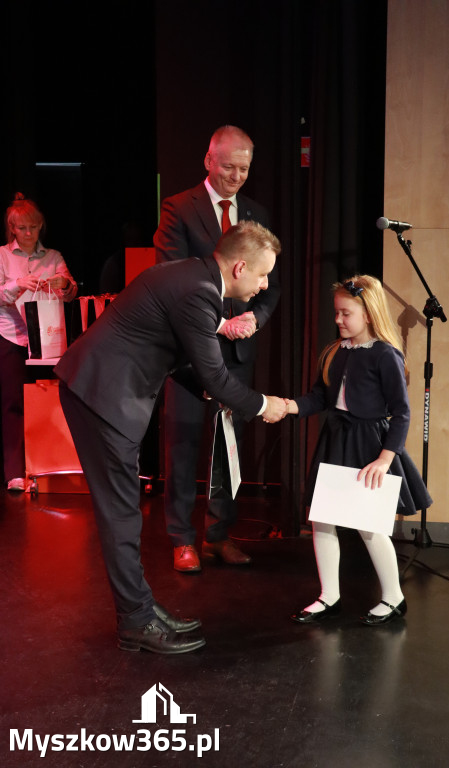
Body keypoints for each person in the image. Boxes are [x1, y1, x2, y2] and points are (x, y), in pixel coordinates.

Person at [55, 220, 286, 654]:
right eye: (262, 274)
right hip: (100, 394)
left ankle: (140, 608)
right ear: (240, 267)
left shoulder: (192, 277)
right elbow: (216, 376)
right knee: (121, 514)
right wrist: (262, 405)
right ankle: (136, 620)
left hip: (103, 389)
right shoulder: (199, 291)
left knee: (124, 513)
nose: (264, 285)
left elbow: (175, 353)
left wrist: (208, 392)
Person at [154, 125, 280, 573]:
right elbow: (172, 275)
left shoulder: (257, 212)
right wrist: (218, 323)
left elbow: (270, 286)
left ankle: (218, 534)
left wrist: (254, 320)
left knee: (228, 448)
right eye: (229, 167)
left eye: (244, 169)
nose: (236, 176)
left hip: (238, 352)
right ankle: (181, 539)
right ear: (209, 160)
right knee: (183, 443)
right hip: (190, 351)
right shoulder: (178, 208)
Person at [285, 276, 432, 626]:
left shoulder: (385, 355)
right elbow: (320, 397)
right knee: (322, 519)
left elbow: (402, 413)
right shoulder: (335, 352)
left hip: (369, 445)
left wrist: (384, 458)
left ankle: (394, 598)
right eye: (336, 312)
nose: (337, 319)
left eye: (345, 313)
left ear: (368, 314)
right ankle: (329, 596)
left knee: (369, 526)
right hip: (336, 441)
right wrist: (289, 406)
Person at [0, 193, 77, 492]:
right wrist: (16, 285)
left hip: (46, 340)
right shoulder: (3, 256)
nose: (29, 233)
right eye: (22, 228)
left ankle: (45, 467)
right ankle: (15, 472)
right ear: (12, 229)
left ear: (40, 226)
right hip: (11, 334)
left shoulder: (53, 257)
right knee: (13, 403)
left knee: (47, 398)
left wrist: (64, 284)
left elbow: (70, 291)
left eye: (33, 227)